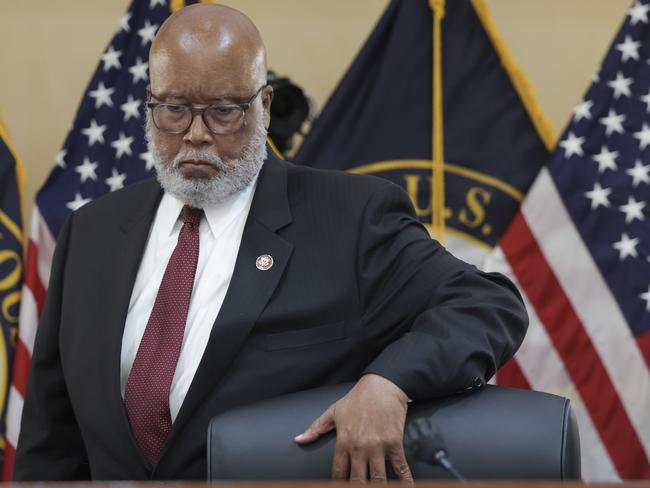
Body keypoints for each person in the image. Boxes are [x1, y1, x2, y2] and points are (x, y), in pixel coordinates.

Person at [14, 3, 528, 482]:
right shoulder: (93, 233)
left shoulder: (349, 218)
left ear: (262, 106)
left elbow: (486, 303)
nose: (195, 133)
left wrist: (389, 383)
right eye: (173, 109)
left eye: (222, 111)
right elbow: (52, 443)